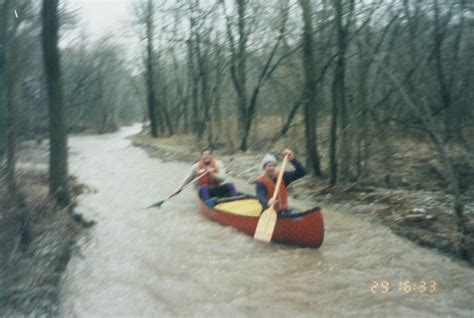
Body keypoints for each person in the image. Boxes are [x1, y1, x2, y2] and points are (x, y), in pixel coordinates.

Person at [256, 149, 306, 213]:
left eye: (273, 165)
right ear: (264, 168)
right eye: (269, 166)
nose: (272, 168)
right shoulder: (260, 182)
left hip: (283, 211)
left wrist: (293, 159)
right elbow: (260, 195)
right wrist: (267, 202)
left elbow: (301, 173)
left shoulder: (282, 176)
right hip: (269, 212)